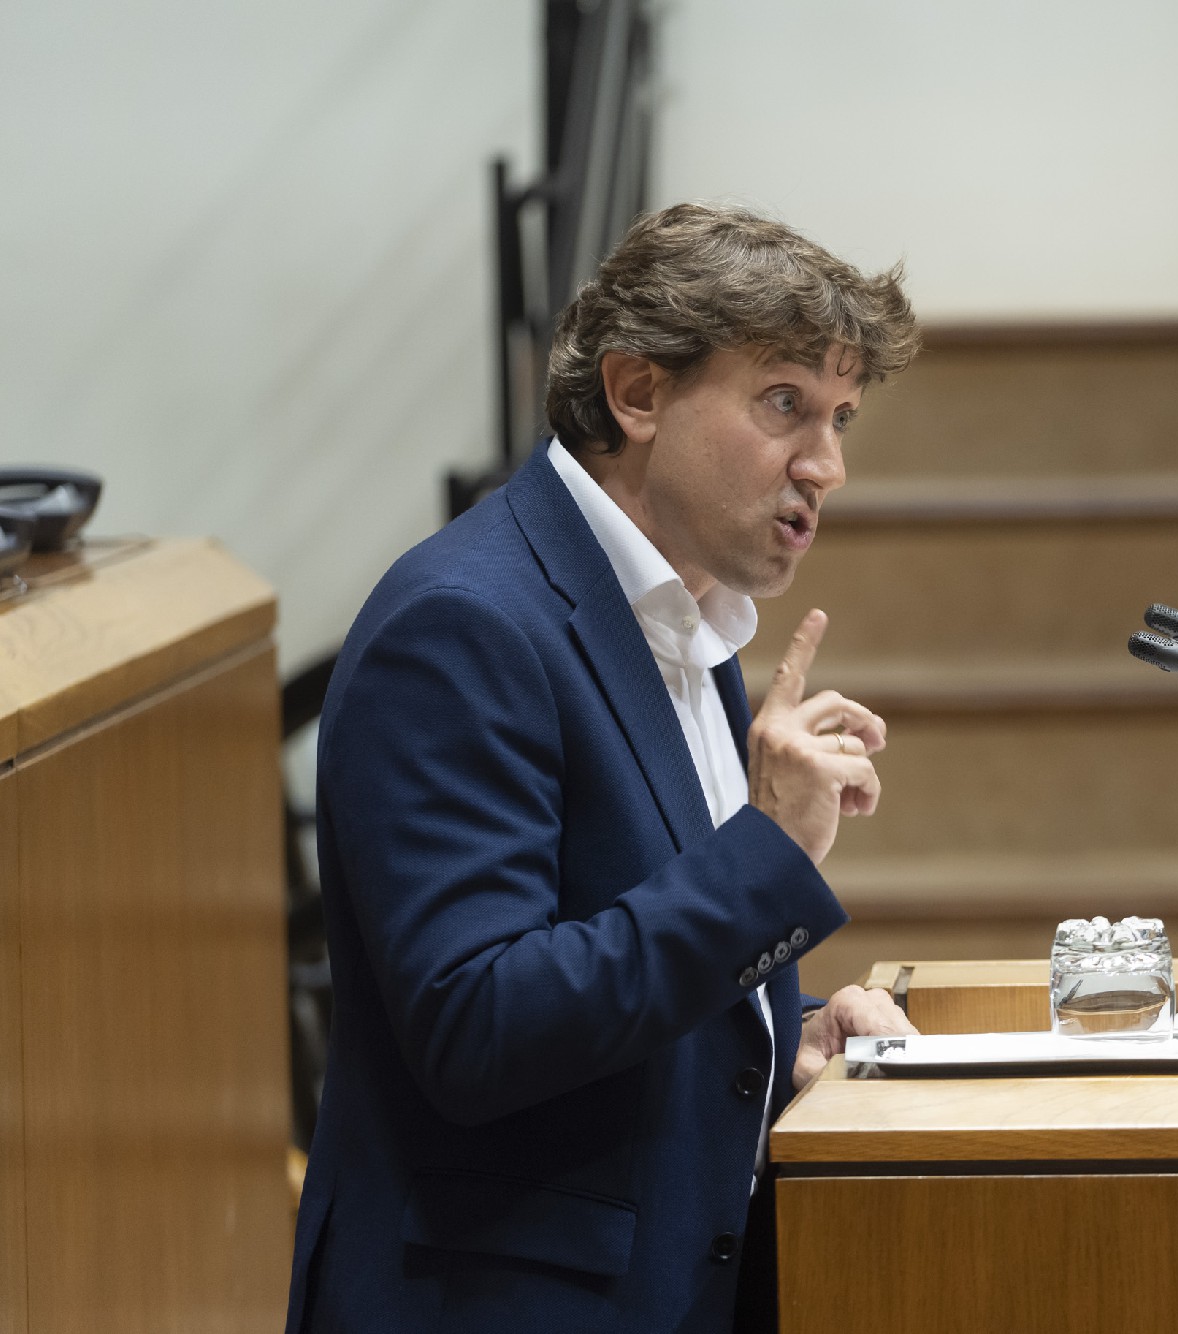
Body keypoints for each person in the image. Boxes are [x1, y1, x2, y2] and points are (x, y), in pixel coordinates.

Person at [285, 203, 924, 1333]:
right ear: (636, 394)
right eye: (784, 403)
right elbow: (480, 1024)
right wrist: (767, 850)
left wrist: (785, 1034)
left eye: (839, 417)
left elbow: (624, 951)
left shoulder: (677, 621)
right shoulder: (465, 624)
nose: (824, 464)